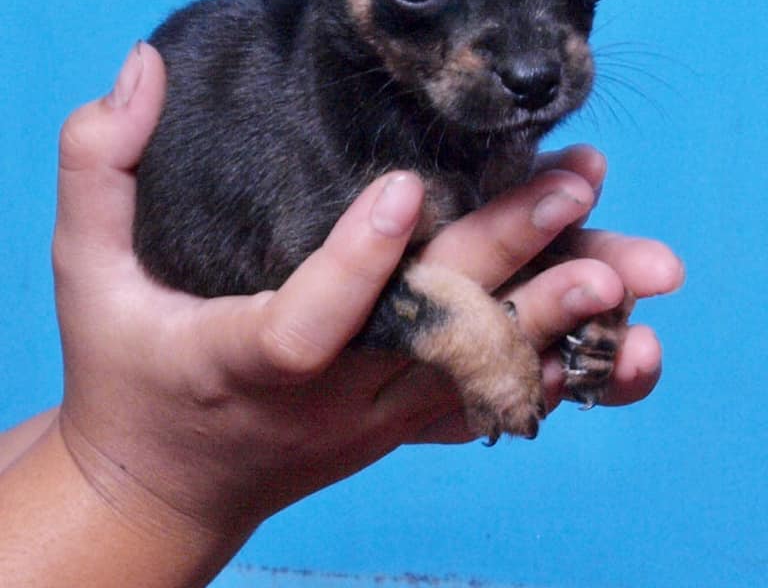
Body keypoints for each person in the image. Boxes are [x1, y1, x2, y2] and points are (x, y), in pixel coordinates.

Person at [0, 43, 683, 588]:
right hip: (232, 257)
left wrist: (105, 441)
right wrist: (142, 477)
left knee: (540, 263)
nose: (532, 61)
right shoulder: (321, 134)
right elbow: (330, 277)